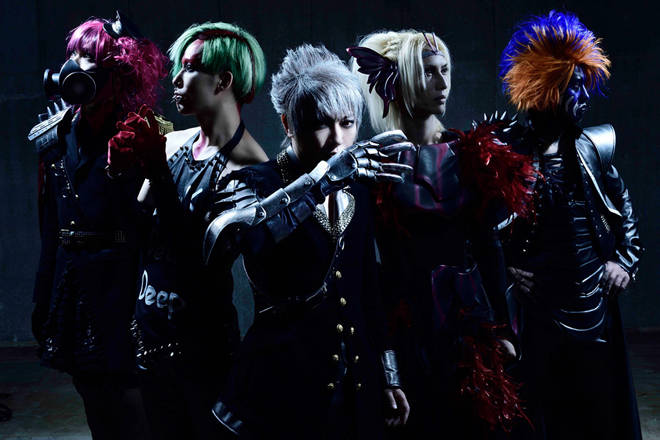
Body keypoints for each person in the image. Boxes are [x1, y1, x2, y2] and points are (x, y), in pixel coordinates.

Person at [204, 43, 411, 440]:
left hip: (355, 390)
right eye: (320, 124)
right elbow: (253, 240)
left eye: (348, 123)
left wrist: (388, 375)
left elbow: (367, 293)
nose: (337, 139)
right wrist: (320, 183)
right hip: (280, 389)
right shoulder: (255, 183)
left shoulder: (359, 191)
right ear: (287, 124)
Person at [349, 30, 535, 439]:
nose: (442, 83)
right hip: (402, 325)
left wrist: (504, 329)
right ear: (400, 81)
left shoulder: (472, 155)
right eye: (429, 72)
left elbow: (488, 247)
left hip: (466, 324)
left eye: (445, 70)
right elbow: (364, 263)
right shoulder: (374, 164)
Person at [108, 22, 268, 439]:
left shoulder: (251, 169)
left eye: (191, 67)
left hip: (203, 355)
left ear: (223, 81)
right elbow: (137, 236)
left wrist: (157, 173)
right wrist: (119, 174)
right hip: (147, 343)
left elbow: (196, 264)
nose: (176, 79)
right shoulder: (174, 142)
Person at [498, 10, 643, 440]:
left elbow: (624, 209)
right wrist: (507, 271)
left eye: (583, 83)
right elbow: (478, 228)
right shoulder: (507, 151)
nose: (582, 95)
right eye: (571, 85)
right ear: (545, 86)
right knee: (539, 416)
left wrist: (624, 261)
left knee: (598, 415)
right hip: (536, 310)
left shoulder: (592, 146)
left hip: (592, 305)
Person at [28, 11, 168, 439]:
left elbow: (158, 228)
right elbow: (51, 230)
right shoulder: (53, 137)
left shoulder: (143, 132)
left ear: (119, 71)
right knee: (92, 398)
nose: (77, 67)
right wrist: (42, 298)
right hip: (72, 285)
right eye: (75, 55)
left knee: (130, 400)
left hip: (123, 286)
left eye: (90, 58)